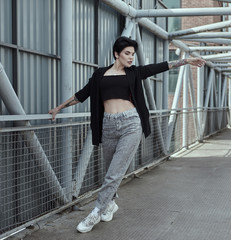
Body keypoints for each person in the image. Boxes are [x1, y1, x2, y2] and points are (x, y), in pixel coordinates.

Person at [48, 36, 206, 233]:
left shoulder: (134, 73)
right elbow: (81, 95)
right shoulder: (99, 75)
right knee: (110, 172)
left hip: (131, 123)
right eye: (127, 53)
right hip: (108, 126)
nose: (131, 57)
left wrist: (186, 61)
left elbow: (161, 66)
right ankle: (111, 203)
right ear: (116, 54)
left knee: (115, 172)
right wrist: (59, 108)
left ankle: (95, 212)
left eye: (133, 54)